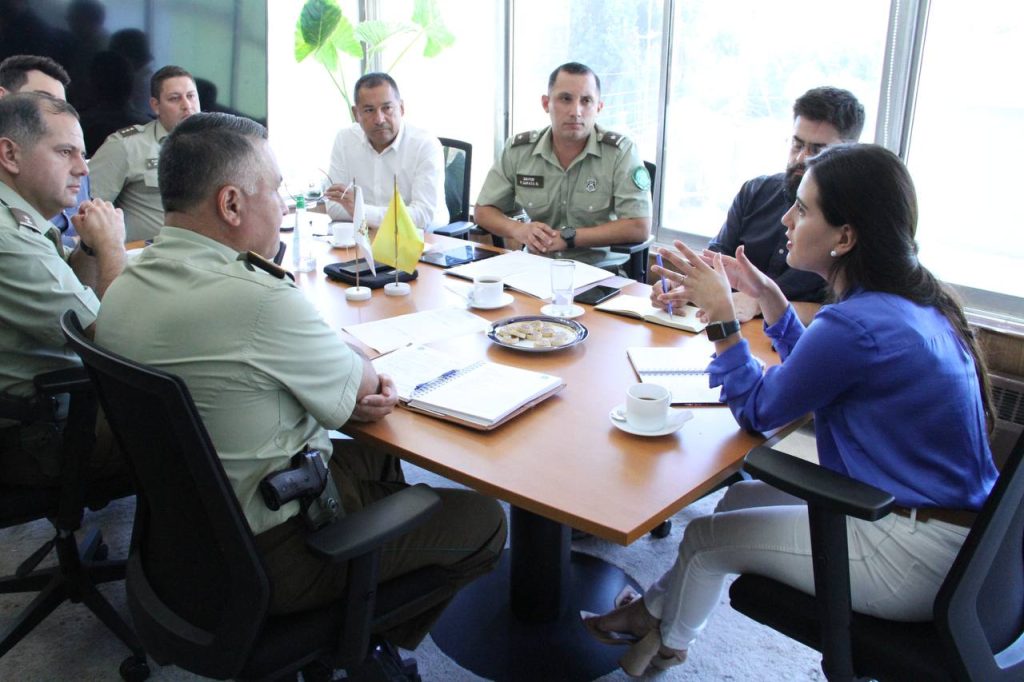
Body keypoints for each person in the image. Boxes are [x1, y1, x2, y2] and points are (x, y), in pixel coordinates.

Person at [95, 112, 506, 653]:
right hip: (276, 554)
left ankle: (364, 609)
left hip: (185, 540)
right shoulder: (259, 299)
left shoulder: (123, 283)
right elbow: (364, 382)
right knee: (484, 520)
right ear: (232, 203)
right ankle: (362, 643)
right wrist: (344, 354)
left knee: (377, 458)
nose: (286, 203)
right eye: (277, 189)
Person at [584, 143, 997, 675]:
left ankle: (664, 644)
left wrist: (722, 320)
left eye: (802, 209)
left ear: (845, 238)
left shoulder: (854, 324)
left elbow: (759, 410)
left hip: (910, 552)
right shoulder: (910, 303)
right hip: (955, 538)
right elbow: (824, 371)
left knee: (706, 537)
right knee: (736, 502)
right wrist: (774, 301)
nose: (786, 218)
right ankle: (654, 615)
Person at [0, 93, 127, 486]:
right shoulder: (9, 237)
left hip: (52, 405)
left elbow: (73, 292)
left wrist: (89, 247)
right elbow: (122, 339)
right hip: (37, 431)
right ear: (10, 154)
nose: (82, 168)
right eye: (65, 152)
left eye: (83, 154)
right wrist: (110, 247)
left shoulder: (19, 219)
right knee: (205, 419)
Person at [702, 86, 865, 320]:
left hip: (799, 342)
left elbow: (848, 312)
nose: (801, 158)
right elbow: (715, 261)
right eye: (797, 145)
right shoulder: (755, 192)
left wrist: (761, 303)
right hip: (725, 327)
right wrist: (684, 287)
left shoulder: (852, 222)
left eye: (817, 151)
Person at [474, 62, 651, 266]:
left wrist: (569, 238)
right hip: (536, 266)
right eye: (565, 99)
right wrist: (519, 230)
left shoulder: (621, 153)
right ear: (546, 103)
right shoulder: (519, 150)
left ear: (599, 107)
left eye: (586, 101)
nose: (576, 111)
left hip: (600, 272)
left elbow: (639, 226)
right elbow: (483, 210)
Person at [89, 64, 200, 241]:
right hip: (147, 258)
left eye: (191, 96)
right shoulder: (126, 146)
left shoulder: (220, 145)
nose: (187, 106)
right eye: (174, 98)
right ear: (156, 106)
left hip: (209, 255)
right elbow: (88, 207)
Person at [323, 72, 448, 230]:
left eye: (387, 108)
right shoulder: (345, 140)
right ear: (356, 114)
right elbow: (335, 208)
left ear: (401, 108)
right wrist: (367, 214)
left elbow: (422, 216)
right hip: (364, 239)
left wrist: (360, 210)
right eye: (369, 110)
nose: (379, 119)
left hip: (425, 243)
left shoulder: (425, 145)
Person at [0, 54, 91, 243]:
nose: (81, 167)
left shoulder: (78, 167)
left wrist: (88, 246)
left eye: (61, 105)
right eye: (42, 98)